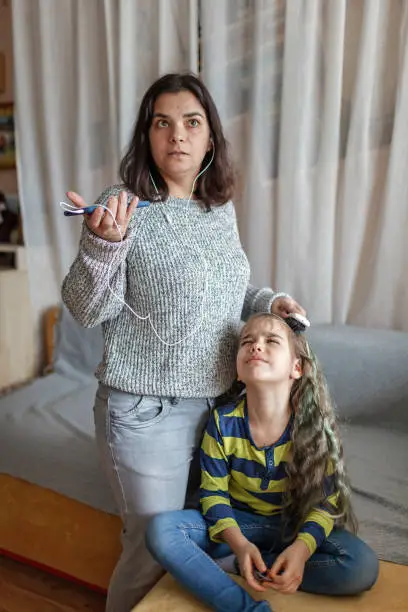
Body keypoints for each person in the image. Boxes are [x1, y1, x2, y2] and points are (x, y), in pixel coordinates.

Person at [61, 73, 305, 612]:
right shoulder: (121, 206)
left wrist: (270, 304)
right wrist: (103, 247)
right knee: (150, 554)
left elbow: (230, 292)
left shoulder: (217, 208)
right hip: (147, 413)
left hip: (221, 412)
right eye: (162, 123)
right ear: (147, 137)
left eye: (192, 122)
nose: (178, 135)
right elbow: (84, 309)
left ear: (210, 139)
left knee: (206, 547)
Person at [146, 313, 379, 612]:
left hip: (292, 528)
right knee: (162, 531)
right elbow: (213, 494)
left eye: (271, 341)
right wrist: (240, 544)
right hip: (234, 527)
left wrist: (301, 550)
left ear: (296, 367)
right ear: (238, 372)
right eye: (247, 342)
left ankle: (245, 564)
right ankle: (246, 598)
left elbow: (326, 503)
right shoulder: (222, 422)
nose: (256, 346)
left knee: (361, 567)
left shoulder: (312, 428)